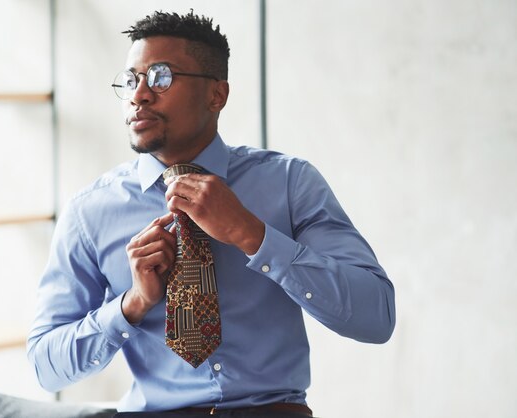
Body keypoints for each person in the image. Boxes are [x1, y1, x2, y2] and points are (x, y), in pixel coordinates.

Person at [27, 10, 395, 417]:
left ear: (216, 95)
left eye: (161, 77)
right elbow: (46, 366)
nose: (140, 95)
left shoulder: (290, 183)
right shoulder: (90, 212)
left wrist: (253, 235)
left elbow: (375, 316)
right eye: (132, 80)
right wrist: (131, 304)